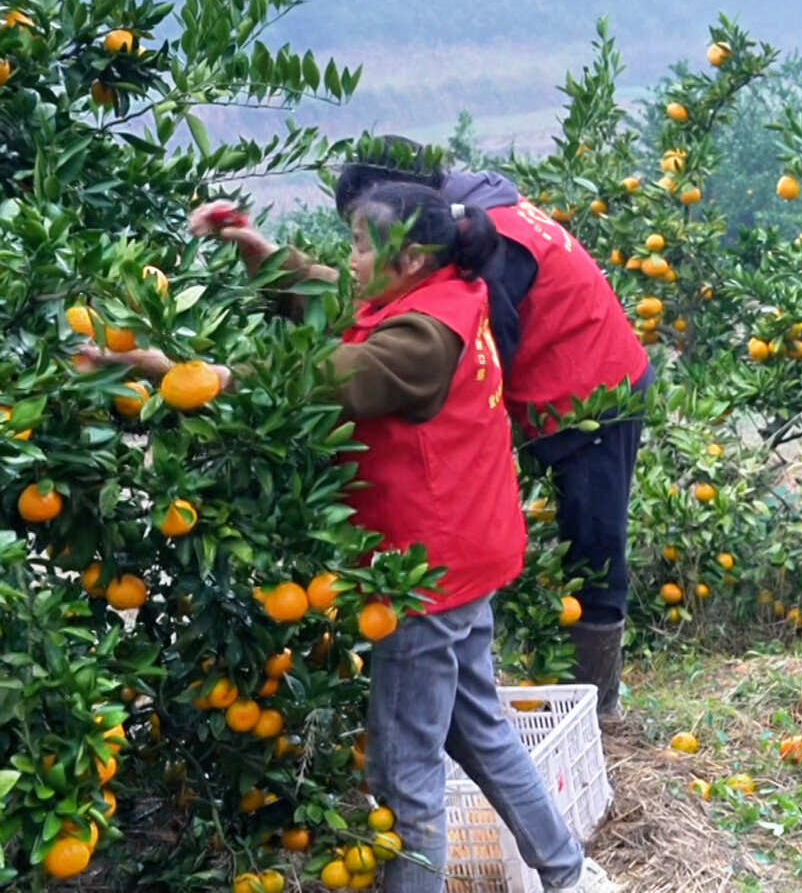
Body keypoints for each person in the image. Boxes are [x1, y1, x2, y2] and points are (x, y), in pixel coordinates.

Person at [97, 184, 623, 893]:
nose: (350, 259)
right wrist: (258, 249)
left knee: (404, 775)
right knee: (476, 728)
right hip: (460, 556)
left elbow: (325, 375)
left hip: (424, 575)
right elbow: (336, 298)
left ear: (409, 257)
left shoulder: (423, 340)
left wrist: (203, 377)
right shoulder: (435, 292)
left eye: (360, 245)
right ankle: (570, 875)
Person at [329, 137, 650, 719]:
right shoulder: (464, 217)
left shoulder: (490, 240)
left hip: (595, 393)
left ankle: (598, 706)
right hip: (562, 388)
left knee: (593, 550)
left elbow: (475, 357)